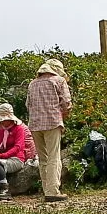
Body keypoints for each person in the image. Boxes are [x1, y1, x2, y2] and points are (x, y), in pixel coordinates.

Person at [26, 58, 72, 202]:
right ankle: (53, 191)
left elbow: (28, 105)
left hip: (34, 125)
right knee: (54, 156)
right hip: (52, 122)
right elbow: (66, 103)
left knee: (43, 158)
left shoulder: (32, 83)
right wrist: (63, 113)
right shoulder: (59, 81)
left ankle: (47, 190)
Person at [0, 103, 33, 200]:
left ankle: (4, 188)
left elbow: (18, 147)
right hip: (4, 158)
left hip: (16, 159)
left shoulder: (19, 129)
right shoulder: (1, 131)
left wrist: (3, 155)